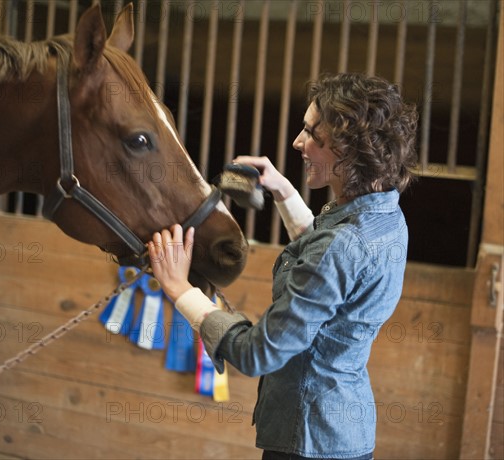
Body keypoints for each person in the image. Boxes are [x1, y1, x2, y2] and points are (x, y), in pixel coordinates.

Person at [147, 73, 418, 459]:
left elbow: (258, 353)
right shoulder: (386, 214)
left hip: (307, 440)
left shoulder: (342, 245)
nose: (298, 142)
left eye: (312, 134)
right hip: (345, 433)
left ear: (348, 149)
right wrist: (284, 190)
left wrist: (180, 289)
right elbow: (334, 264)